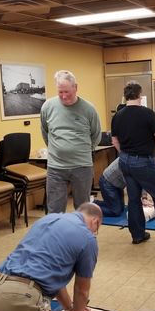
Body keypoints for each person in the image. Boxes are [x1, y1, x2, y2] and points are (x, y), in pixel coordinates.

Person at [112, 81, 155, 244]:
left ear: (125, 96)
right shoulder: (147, 113)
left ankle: (138, 235)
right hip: (144, 161)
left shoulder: (117, 115)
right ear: (139, 95)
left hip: (125, 161)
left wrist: (125, 154)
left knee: (133, 199)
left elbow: (115, 140)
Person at [40, 70, 101, 214]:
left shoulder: (88, 109)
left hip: (82, 166)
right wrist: (58, 149)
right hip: (56, 167)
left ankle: (81, 230)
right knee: (54, 210)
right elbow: (45, 132)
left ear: (76, 87)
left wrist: (81, 150)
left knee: (83, 210)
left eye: (67, 91)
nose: (64, 96)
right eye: (60, 92)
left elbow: (96, 135)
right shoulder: (48, 107)